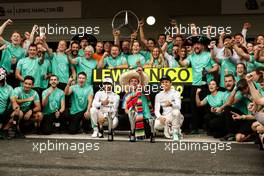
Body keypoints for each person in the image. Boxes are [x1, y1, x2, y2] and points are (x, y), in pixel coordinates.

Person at [179, 35, 219, 134]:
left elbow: (216, 67)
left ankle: (208, 128)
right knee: (194, 108)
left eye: (198, 44)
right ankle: (194, 128)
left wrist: (208, 71)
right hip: (195, 85)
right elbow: (183, 64)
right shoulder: (191, 56)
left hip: (207, 85)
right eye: (194, 44)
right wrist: (179, 58)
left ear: (202, 46)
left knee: (207, 108)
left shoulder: (209, 55)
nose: (196, 46)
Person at [119, 67, 155, 142]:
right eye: (131, 81)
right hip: (134, 119)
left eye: (136, 81)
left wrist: (140, 74)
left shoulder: (141, 90)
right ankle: (133, 131)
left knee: (148, 135)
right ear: (129, 83)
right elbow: (125, 109)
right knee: (131, 111)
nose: (134, 82)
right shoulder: (127, 96)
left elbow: (141, 83)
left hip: (145, 119)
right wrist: (131, 112)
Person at [154, 75, 184, 141]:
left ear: (171, 83)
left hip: (175, 116)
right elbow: (156, 110)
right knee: (156, 125)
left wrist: (171, 104)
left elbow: (179, 107)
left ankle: (175, 133)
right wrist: (160, 117)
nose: (164, 84)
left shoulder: (176, 93)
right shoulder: (158, 95)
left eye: (166, 82)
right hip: (165, 117)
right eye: (163, 82)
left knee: (176, 111)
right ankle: (169, 129)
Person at [0, 19, 26, 88]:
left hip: (15, 75)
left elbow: (22, 65)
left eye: (18, 36)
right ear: (11, 38)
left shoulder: (22, 51)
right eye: (14, 36)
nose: (16, 37)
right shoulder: (6, 44)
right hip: (3, 72)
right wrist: (5, 23)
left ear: (20, 40)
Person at [0, 68, 18, 139]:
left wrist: (16, 107)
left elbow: (13, 101)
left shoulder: (9, 88)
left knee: (16, 112)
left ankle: (4, 130)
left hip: (3, 112)